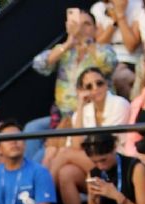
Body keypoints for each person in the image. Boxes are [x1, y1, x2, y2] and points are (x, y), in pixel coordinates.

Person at [27, 8, 117, 161]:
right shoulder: (65, 51)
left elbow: (109, 63)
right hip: (62, 116)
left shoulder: (103, 49)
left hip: (89, 114)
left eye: (86, 24)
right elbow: (39, 64)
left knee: (45, 157)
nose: (80, 28)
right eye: (77, 24)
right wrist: (68, 43)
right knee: (31, 129)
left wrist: (86, 41)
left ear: (95, 29)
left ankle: (31, 176)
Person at [48, 67, 130, 204]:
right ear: (82, 91)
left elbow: (104, 143)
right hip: (96, 166)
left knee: (64, 153)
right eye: (89, 86)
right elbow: (77, 144)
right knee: (66, 172)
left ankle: (44, 198)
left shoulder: (120, 104)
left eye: (99, 83)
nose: (96, 89)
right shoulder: (83, 112)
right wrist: (80, 104)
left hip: (117, 162)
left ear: (106, 84)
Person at [83, 132, 145, 204]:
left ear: (114, 148)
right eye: (95, 162)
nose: (101, 166)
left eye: (103, 160)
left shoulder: (136, 169)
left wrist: (117, 197)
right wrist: (92, 201)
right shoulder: (93, 173)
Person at [92, 0, 142, 98]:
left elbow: (131, 46)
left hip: (131, 59)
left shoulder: (138, 5)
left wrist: (120, 15)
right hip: (106, 58)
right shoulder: (98, 8)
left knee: (120, 78)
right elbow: (100, 43)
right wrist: (114, 23)